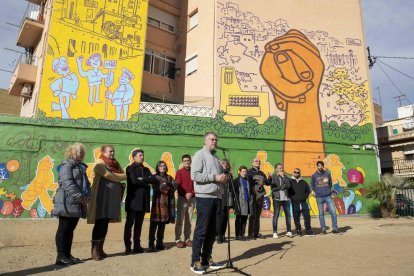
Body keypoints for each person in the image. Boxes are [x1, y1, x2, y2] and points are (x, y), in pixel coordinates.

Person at [190, 132, 227, 274]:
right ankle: (195, 261)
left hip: (217, 197)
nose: (214, 141)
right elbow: (195, 175)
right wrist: (215, 177)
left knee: (213, 230)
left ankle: (206, 259)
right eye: (212, 139)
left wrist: (223, 178)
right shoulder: (199, 154)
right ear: (205, 141)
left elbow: (218, 178)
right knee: (201, 230)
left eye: (216, 139)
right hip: (204, 197)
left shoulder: (216, 158)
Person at [52, 143, 91, 265]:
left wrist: (88, 195)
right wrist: (80, 197)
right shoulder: (66, 166)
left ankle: (67, 254)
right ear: (73, 152)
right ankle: (60, 256)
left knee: (70, 229)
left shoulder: (81, 167)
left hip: (77, 202)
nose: (83, 154)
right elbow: (68, 183)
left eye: (83, 152)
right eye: (80, 152)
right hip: (66, 201)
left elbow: (86, 183)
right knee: (63, 228)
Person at [87, 144, 126, 260]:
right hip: (101, 197)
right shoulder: (99, 162)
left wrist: (118, 176)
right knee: (99, 222)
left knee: (105, 222)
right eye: (110, 151)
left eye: (113, 151)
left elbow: (125, 175)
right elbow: (107, 174)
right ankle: (94, 250)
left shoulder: (116, 163)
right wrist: (119, 177)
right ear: (103, 152)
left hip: (111, 198)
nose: (112, 153)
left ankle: (100, 249)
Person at [124, 149, 156, 255]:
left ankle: (137, 246)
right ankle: (128, 247)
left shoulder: (146, 169)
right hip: (133, 201)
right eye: (140, 155)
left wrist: (142, 179)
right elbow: (133, 181)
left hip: (143, 201)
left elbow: (153, 179)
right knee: (129, 224)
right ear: (134, 157)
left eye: (143, 155)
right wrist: (145, 182)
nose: (142, 157)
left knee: (139, 224)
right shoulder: (130, 168)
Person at [149, 160, 176, 252]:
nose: (163, 167)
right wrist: (167, 186)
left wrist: (167, 184)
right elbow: (158, 188)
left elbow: (175, 186)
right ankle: (151, 245)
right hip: (157, 203)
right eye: (161, 166)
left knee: (162, 224)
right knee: (154, 224)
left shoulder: (169, 177)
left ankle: (159, 244)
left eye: (164, 166)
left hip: (166, 203)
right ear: (158, 167)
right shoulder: (154, 177)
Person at [311, 161, 339, 234]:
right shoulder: (314, 175)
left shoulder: (327, 174)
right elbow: (312, 185)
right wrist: (316, 192)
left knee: (333, 211)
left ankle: (335, 228)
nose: (320, 167)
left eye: (321, 165)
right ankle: (323, 229)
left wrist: (327, 191)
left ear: (323, 166)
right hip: (319, 197)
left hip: (328, 196)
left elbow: (330, 184)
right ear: (317, 166)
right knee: (321, 213)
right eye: (318, 165)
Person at [175, 154, 195, 248]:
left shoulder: (194, 172)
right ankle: (178, 239)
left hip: (192, 199)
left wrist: (191, 193)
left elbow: (197, 185)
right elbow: (178, 184)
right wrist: (185, 193)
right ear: (182, 162)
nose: (187, 162)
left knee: (189, 220)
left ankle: (187, 239)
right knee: (180, 220)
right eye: (185, 161)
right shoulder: (179, 172)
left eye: (188, 160)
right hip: (182, 199)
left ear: (190, 162)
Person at [247, 158, 271, 240]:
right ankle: (250, 234)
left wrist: (269, 178)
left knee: (257, 216)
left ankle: (256, 233)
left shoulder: (261, 173)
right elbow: (249, 183)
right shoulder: (249, 172)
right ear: (252, 163)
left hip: (260, 196)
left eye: (259, 161)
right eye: (256, 161)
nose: (258, 162)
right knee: (252, 215)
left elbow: (268, 183)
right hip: (253, 196)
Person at [288, 168, 313, 236]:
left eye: (298, 172)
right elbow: (288, 191)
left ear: (300, 173)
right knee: (296, 217)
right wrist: (292, 197)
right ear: (293, 173)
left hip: (303, 202)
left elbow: (308, 190)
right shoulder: (290, 181)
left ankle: (308, 230)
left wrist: (304, 196)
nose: (296, 173)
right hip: (295, 202)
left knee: (307, 216)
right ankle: (298, 230)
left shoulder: (303, 182)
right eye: (295, 172)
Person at [271, 163, 292, 238]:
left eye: (282, 168)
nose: (281, 169)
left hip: (286, 198)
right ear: (276, 169)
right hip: (277, 199)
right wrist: (282, 186)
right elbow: (273, 188)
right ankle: (274, 232)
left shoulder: (285, 177)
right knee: (276, 215)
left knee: (288, 215)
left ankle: (289, 231)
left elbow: (289, 186)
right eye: (280, 168)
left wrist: (283, 177)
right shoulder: (273, 177)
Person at [216, 159, 234, 244]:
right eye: (223, 164)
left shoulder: (229, 174)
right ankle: (218, 235)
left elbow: (231, 188)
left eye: (226, 164)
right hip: (220, 197)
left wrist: (232, 203)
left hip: (227, 198)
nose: (225, 165)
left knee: (226, 218)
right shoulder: (218, 172)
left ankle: (223, 234)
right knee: (220, 217)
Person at [232, 166, 251, 241]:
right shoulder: (236, 181)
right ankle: (238, 235)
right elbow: (233, 192)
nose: (244, 173)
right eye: (243, 171)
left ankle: (242, 234)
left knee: (244, 219)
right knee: (239, 219)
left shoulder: (247, 180)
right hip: (239, 202)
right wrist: (234, 203)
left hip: (247, 201)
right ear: (239, 172)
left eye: (245, 171)